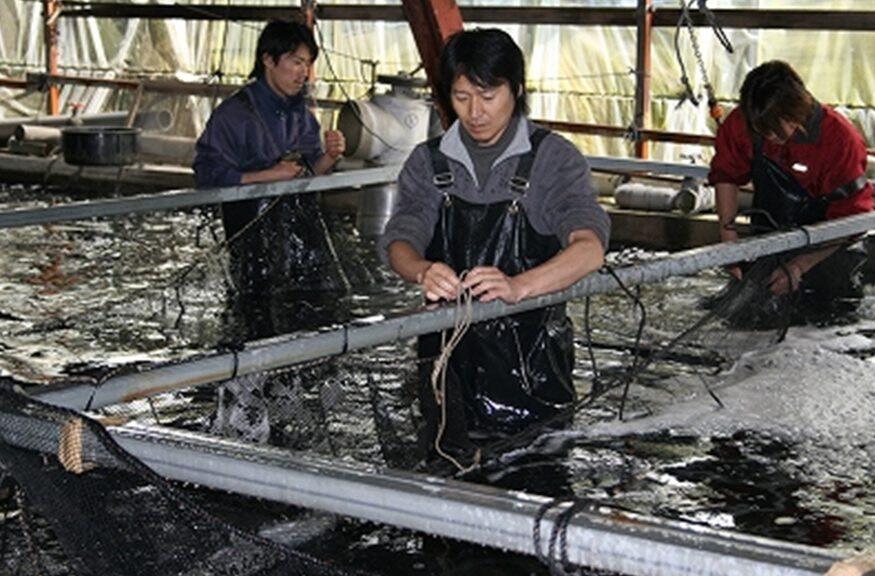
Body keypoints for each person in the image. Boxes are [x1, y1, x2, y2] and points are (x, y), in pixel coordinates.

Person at [379, 28, 610, 462]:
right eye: (462, 97)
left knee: (535, 487)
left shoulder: (554, 160)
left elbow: (589, 247)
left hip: (532, 373)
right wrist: (420, 270)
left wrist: (519, 286)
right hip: (446, 374)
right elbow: (400, 237)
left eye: (488, 95)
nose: (475, 112)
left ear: (516, 90)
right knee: (443, 489)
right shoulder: (428, 162)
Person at [193, 20, 348, 339]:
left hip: (299, 245)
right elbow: (207, 177)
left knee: (314, 310)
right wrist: (268, 176)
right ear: (268, 59)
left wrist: (329, 157)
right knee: (255, 317)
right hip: (252, 243)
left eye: (307, 64)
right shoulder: (232, 116)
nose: (303, 72)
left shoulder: (300, 114)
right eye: (295, 62)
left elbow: (308, 175)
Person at [709, 60, 872, 319]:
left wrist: (799, 265)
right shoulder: (747, 120)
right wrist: (730, 244)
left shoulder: (839, 141)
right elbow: (726, 175)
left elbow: (852, 221)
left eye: (775, 129)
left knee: (821, 321)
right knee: (740, 317)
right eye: (761, 131)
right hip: (771, 240)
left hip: (828, 253)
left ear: (796, 109)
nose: (768, 136)